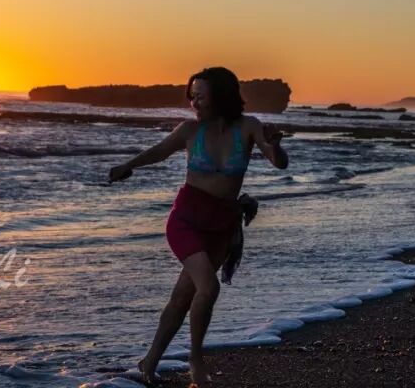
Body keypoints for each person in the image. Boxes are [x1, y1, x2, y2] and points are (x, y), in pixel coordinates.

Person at [108, 66, 289, 387]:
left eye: (201, 96)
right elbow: (159, 151)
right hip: (186, 221)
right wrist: (128, 165)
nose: (194, 103)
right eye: (192, 97)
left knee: (182, 297)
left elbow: (279, 162)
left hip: (221, 226)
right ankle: (196, 359)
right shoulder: (189, 130)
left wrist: (274, 145)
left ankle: (149, 363)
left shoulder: (249, 126)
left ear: (221, 96)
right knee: (209, 288)